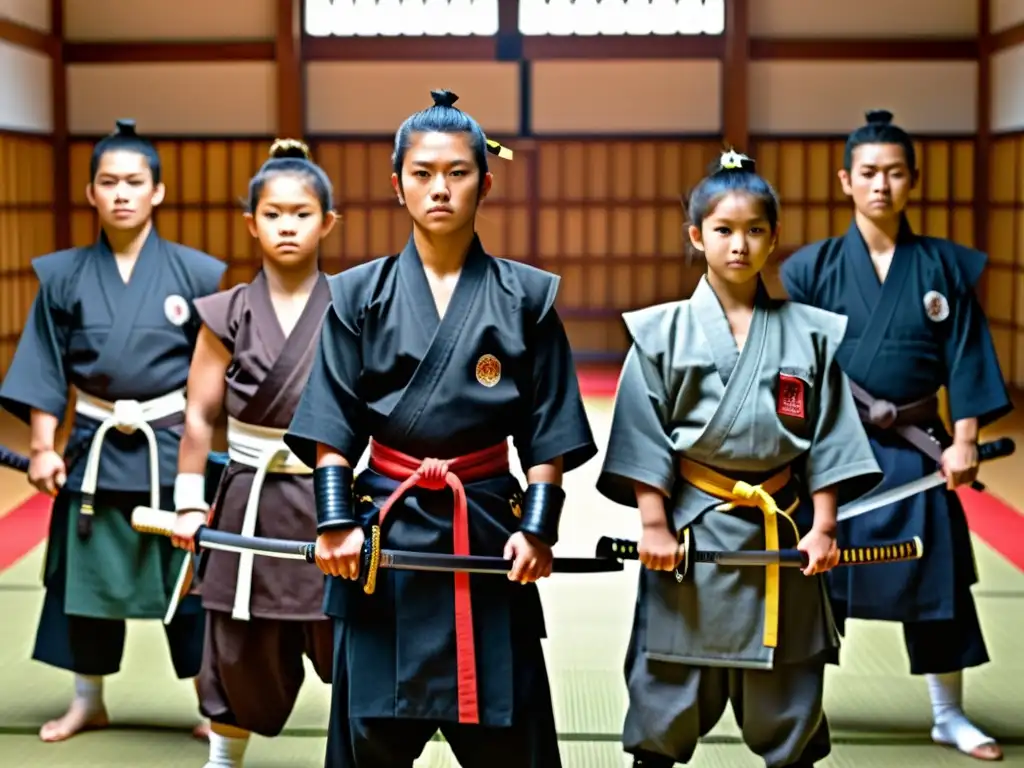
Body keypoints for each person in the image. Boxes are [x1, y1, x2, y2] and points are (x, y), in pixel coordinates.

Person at [282, 89, 597, 768]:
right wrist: (335, 524)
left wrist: (537, 531)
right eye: (422, 173)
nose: (440, 188)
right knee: (370, 737)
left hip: (486, 531)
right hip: (382, 535)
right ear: (397, 185)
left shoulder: (526, 298)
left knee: (509, 734)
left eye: (457, 172)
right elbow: (332, 423)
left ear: (486, 181)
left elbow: (547, 434)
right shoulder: (356, 295)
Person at [596, 150, 884, 768]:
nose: (739, 245)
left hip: (782, 530)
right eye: (723, 231)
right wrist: (653, 524)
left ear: (774, 238)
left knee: (788, 687)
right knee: (668, 682)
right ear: (696, 237)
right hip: (692, 532)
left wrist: (824, 526)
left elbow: (830, 438)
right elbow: (642, 433)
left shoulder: (809, 333)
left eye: (755, 230)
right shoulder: (660, 332)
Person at [779, 110, 1012, 762]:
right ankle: (802, 712)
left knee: (939, 588)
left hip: (920, 451)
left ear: (913, 180)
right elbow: (795, 366)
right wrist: (793, 442)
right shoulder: (813, 269)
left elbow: (967, 357)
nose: (881, 185)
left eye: (894, 173)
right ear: (846, 181)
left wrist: (963, 439)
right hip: (836, 455)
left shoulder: (942, 267)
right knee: (816, 587)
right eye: (869, 173)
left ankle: (948, 714)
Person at [0, 119, 226, 742]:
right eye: (109, 182)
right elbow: (44, 364)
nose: (122, 192)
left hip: (169, 448)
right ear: (91, 192)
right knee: (84, 583)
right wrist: (43, 446)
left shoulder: (196, 275)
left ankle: (211, 706)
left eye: (135, 181)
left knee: (189, 582)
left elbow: (211, 377)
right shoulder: (64, 277)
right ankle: (87, 700)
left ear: (157, 191)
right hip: (95, 448)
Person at [168, 138, 338, 768]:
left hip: (331, 497)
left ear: (327, 222)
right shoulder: (226, 311)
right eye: (273, 213)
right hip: (248, 498)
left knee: (349, 633)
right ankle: (224, 759)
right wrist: (189, 504)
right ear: (251, 223)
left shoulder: (353, 307)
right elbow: (199, 413)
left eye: (301, 213)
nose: (287, 225)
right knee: (236, 640)